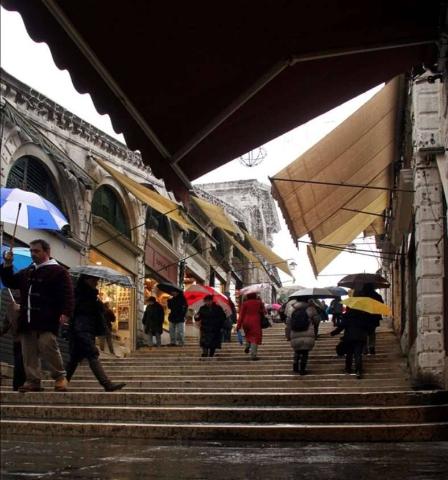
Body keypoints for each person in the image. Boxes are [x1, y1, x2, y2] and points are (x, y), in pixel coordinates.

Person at [0, 239, 74, 393]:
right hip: (27, 318)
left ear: (46, 252)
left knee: (48, 345)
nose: (33, 254)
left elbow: (68, 294)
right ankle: (33, 380)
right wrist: (7, 264)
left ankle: (60, 377)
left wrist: (66, 313)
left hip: (47, 318)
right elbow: (10, 282)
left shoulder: (59, 271)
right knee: (29, 352)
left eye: (36, 251)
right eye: (31, 251)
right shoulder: (28, 271)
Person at [65, 275, 126, 391]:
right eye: (94, 280)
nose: (96, 283)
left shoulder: (91, 295)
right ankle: (107, 384)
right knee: (92, 354)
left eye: (97, 280)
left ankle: (62, 382)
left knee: (74, 359)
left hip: (86, 330)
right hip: (82, 330)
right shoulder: (82, 295)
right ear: (86, 280)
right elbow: (80, 314)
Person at [331, 307, 370, 379]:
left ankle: (348, 369)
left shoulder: (347, 315)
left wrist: (333, 333)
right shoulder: (363, 315)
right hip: (360, 338)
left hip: (349, 337)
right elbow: (367, 327)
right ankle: (358, 371)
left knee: (349, 354)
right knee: (358, 354)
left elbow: (341, 327)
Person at [0, 289, 25, 391]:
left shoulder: (13, 306)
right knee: (21, 362)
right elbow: (6, 324)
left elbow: (5, 325)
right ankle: (19, 384)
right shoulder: (12, 307)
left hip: (21, 338)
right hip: (22, 339)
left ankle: (18, 384)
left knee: (20, 362)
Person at [285, 300, 318, 375]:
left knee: (297, 351)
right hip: (308, 333)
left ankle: (295, 366)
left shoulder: (292, 309)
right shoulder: (311, 309)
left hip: (295, 334)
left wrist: (288, 335)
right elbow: (317, 321)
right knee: (305, 352)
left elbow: (288, 323)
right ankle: (302, 369)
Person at [236, 293, 265, 361]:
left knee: (248, 335)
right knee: (255, 338)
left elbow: (241, 315)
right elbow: (264, 311)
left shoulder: (245, 303)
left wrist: (238, 326)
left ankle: (247, 346)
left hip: (246, 322)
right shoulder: (259, 303)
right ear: (255, 296)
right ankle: (253, 355)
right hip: (255, 322)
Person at [357, 283, 383, 355]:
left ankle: (364, 349)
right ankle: (372, 347)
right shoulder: (377, 296)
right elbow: (381, 306)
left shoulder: (361, 296)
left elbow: (357, 307)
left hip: (363, 317)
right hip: (373, 318)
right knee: (372, 333)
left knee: (364, 334)